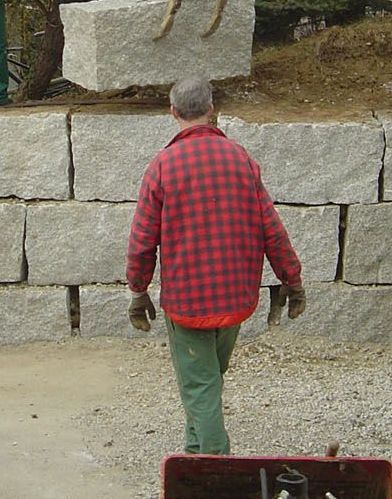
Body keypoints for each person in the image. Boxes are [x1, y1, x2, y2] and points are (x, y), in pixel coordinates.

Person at [125, 77, 305, 456]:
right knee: (207, 379)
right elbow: (271, 227)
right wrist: (292, 279)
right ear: (211, 109)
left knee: (200, 383)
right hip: (235, 297)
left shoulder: (162, 166)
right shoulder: (241, 159)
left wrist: (138, 290)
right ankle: (194, 452)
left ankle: (216, 464)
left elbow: (143, 239)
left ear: (173, 113)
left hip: (188, 302)